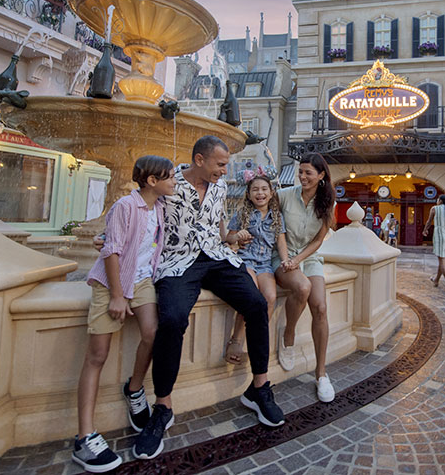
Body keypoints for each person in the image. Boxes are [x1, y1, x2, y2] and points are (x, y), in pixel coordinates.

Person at [133, 136, 285, 461]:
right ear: (199, 160)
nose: (225, 170)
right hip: (177, 261)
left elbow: (217, 227)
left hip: (216, 257)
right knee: (172, 319)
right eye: (220, 164)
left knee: (257, 305)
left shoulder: (218, 187)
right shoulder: (168, 181)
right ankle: (163, 407)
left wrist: (232, 238)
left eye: (226, 164)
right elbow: (140, 207)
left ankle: (259, 388)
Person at [73, 155, 174, 473]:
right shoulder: (125, 206)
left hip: (142, 280)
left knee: (153, 333)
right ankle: (84, 438)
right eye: (169, 177)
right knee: (97, 356)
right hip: (111, 283)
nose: (174, 181)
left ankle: (134, 388)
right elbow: (111, 251)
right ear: (152, 181)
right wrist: (117, 296)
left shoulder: (159, 207)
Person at [273, 153, 336, 402]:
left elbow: (319, 239)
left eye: (308, 172)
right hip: (281, 254)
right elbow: (276, 229)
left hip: (308, 257)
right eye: (300, 171)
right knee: (302, 287)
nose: (302, 177)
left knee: (320, 307)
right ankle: (288, 335)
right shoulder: (285, 195)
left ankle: (321, 374)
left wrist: (298, 260)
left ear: (321, 176)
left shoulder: (327, 201)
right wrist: (288, 258)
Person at [223, 172, 290, 365]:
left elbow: (281, 242)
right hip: (246, 261)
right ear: (249, 194)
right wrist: (237, 237)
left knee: (270, 297)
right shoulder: (242, 213)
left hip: (265, 264)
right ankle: (236, 340)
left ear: (271, 193)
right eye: (255, 189)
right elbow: (229, 238)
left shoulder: (277, 217)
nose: (259, 193)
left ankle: (256, 336)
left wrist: (285, 261)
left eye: (263, 189)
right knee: (250, 295)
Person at [423, 194, 445, 293]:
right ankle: (436, 280)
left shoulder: (434, 209)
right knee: (442, 259)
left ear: (440, 201)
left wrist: (425, 230)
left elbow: (429, 222)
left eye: (438, 199)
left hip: (440, 235)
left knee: (442, 261)